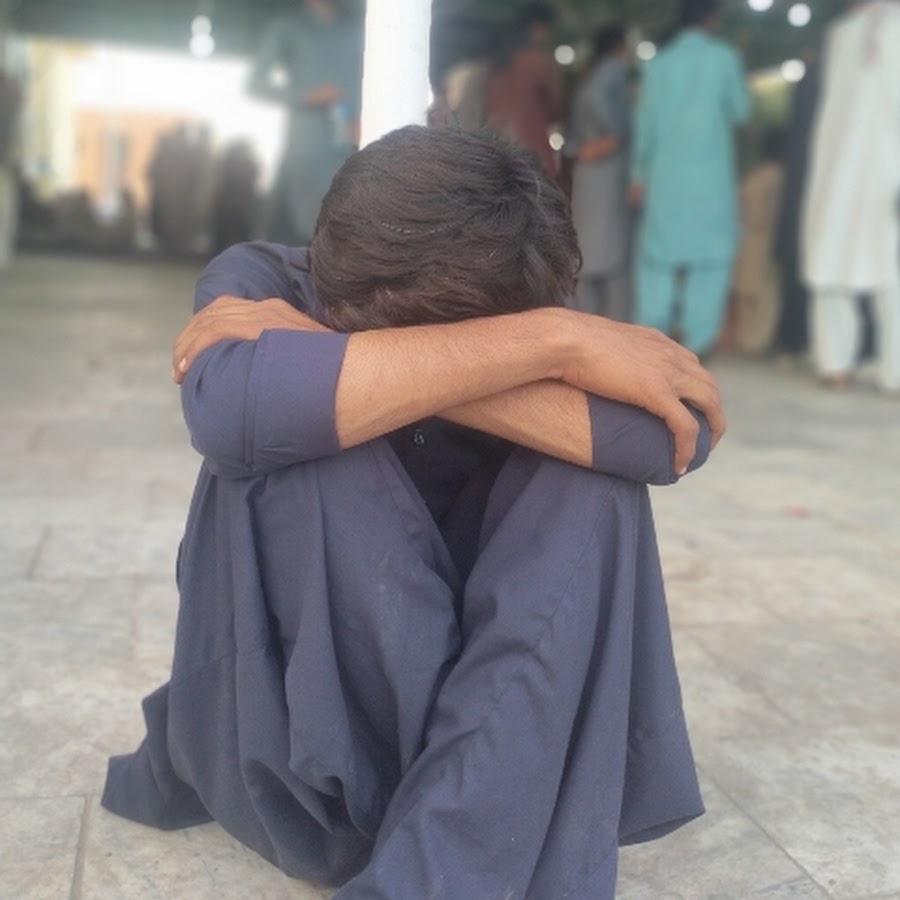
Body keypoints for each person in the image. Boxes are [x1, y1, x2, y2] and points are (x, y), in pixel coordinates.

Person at [102, 126, 725, 899]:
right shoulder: (261, 279)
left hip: (496, 743)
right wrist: (523, 356)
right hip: (311, 756)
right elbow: (228, 408)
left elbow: (670, 437)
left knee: (594, 483)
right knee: (305, 442)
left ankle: (441, 851)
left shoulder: (525, 298)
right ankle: (434, 848)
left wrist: (544, 342)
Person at [630, 0, 750, 357]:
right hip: (711, 180)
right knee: (710, 260)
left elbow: (644, 127)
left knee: (657, 258)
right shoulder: (724, 58)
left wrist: (637, 174)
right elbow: (742, 110)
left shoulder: (658, 65)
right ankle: (697, 342)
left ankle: (652, 339)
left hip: (665, 177)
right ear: (711, 20)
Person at [800, 0, 900, 393]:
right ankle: (892, 372)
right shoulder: (847, 32)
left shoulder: (841, 33)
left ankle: (835, 365)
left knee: (834, 260)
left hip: (839, 168)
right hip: (878, 168)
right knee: (886, 268)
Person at [247, 0, 364, 246]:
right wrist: (306, 96)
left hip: (350, 145)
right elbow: (255, 85)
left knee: (347, 231)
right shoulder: (288, 27)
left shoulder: (356, 29)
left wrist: (363, 119)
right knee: (304, 233)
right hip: (306, 146)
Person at [565, 23, 634, 322]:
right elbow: (594, 98)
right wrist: (613, 135)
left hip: (589, 172)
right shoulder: (613, 69)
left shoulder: (590, 72)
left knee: (589, 255)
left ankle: (587, 325)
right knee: (610, 256)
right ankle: (611, 330)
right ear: (620, 45)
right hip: (606, 173)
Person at [484, 1, 565, 182]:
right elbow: (556, 110)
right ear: (537, 27)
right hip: (532, 148)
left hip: (495, 147)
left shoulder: (494, 63)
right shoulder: (538, 61)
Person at [726, 127, 786, 356]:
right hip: (768, 242)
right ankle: (759, 342)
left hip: (748, 240)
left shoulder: (753, 177)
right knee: (767, 297)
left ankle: (747, 341)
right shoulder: (784, 178)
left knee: (746, 296)